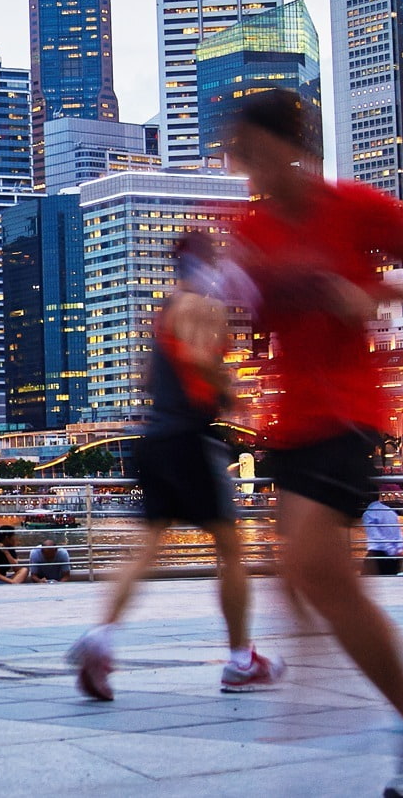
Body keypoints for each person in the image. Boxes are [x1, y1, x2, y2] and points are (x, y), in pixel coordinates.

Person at [223, 89, 403, 798]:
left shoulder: (358, 208)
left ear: (292, 147)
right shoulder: (249, 227)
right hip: (286, 421)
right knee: (305, 575)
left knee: (317, 571)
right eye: (239, 155)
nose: (246, 168)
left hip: (348, 413)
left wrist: (376, 293)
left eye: (254, 152)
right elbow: (243, 309)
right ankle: (377, 697)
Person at [69, 233, 285, 701]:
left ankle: (99, 639)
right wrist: (232, 396)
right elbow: (196, 358)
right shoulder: (201, 308)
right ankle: (241, 661)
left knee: (147, 547)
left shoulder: (164, 311)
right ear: (207, 263)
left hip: (155, 439)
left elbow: (148, 377)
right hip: (191, 438)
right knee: (230, 550)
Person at [363, 499, 403, 576]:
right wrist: (399, 549)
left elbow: (376, 537)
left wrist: (391, 551)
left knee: (366, 582)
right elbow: (398, 532)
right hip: (395, 557)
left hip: (377, 554)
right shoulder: (390, 511)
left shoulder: (368, 514)